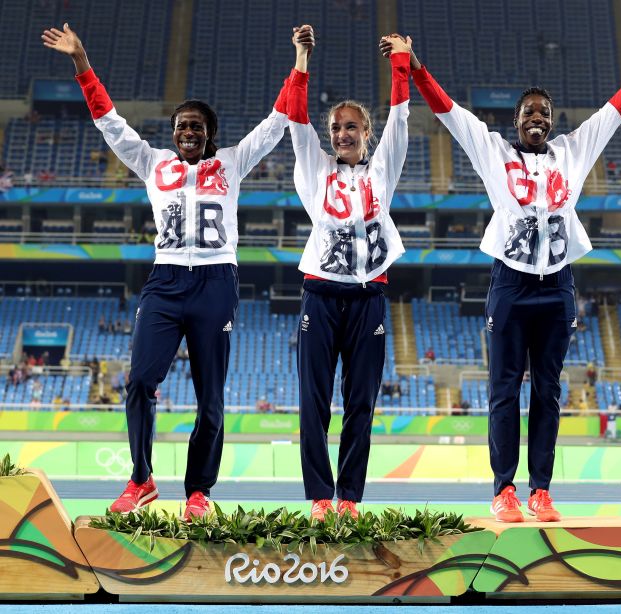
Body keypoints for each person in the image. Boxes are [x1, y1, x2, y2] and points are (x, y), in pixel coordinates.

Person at [43, 23, 309, 520]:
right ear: (172, 133)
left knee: (210, 398)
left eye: (196, 126)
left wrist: (299, 60)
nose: (187, 132)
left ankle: (198, 492)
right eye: (180, 126)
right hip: (164, 282)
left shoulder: (232, 161)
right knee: (140, 380)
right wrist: (81, 59)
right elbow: (108, 121)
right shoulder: (152, 162)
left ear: (210, 133)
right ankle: (141, 479)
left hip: (215, 283)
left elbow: (277, 121)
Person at [407, 28, 621, 523]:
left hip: (557, 286)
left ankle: (541, 490)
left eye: (544, 113)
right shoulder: (494, 153)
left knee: (548, 389)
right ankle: (504, 489)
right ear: (516, 120)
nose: (537, 118)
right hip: (509, 282)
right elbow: (449, 113)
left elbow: (614, 113)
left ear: (551, 123)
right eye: (529, 112)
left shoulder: (572, 152)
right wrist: (416, 65)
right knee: (504, 389)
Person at [288, 29, 410, 520]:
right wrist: (302, 59)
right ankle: (320, 497)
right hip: (319, 295)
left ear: (367, 133)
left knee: (361, 405)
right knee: (313, 403)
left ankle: (349, 500)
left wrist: (401, 66)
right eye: (336, 126)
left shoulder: (383, 171)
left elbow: (401, 118)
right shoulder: (312, 170)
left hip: (369, 300)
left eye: (352, 126)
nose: (343, 133)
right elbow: (296, 120)